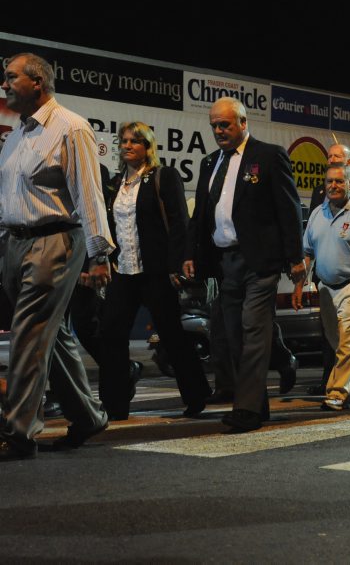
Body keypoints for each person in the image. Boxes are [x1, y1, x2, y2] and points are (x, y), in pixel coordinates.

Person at [0, 53, 111, 461]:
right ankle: (87, 416)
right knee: (53, 335)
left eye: (11, 77)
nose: (4, 84)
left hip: (54, 243)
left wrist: (100, 254)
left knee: (28, 335)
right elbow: (7, 201)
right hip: (14, 245)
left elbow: (89, 194)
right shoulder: (16, 135)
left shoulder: (71, 127)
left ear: (37, 83)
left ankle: (19, 432)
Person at [183, 97, 305, 432]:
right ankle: (259, 402)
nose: (219, 131)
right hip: (224, 262)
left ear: (243, 122)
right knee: (233, 335)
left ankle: (247, 410)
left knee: (254, 330)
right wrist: (190, 253)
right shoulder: (210, 163)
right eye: (214, 126)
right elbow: (202, 215)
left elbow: (289, 210)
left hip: (260, 261)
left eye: (225, 124)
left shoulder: (268, 156)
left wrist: (295, 259)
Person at [99, 122, 211, 420]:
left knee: (172, 334)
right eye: (123, 141)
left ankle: (197, 395)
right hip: (124, 271)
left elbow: (179, 224)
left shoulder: (163, 176)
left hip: (157, 270)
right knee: (110, 333)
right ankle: (115, 405)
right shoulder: (115, 184)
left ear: (148, 146)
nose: (127, 146)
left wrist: (177, 264)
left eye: (134, 141)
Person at [294, 164, 350, 411]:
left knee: (347, 340)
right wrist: (299, 285)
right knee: (338, 341)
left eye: (339, 181)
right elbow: (307, 253)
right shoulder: (317, 213)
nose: (333, 186)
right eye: (329, 181)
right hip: (325, 288)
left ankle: (337, 393)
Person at [309, 142, 350, 212]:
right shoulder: (318, 191)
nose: (331, 160)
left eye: (337, 156)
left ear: (349, 162)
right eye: (329, 157)